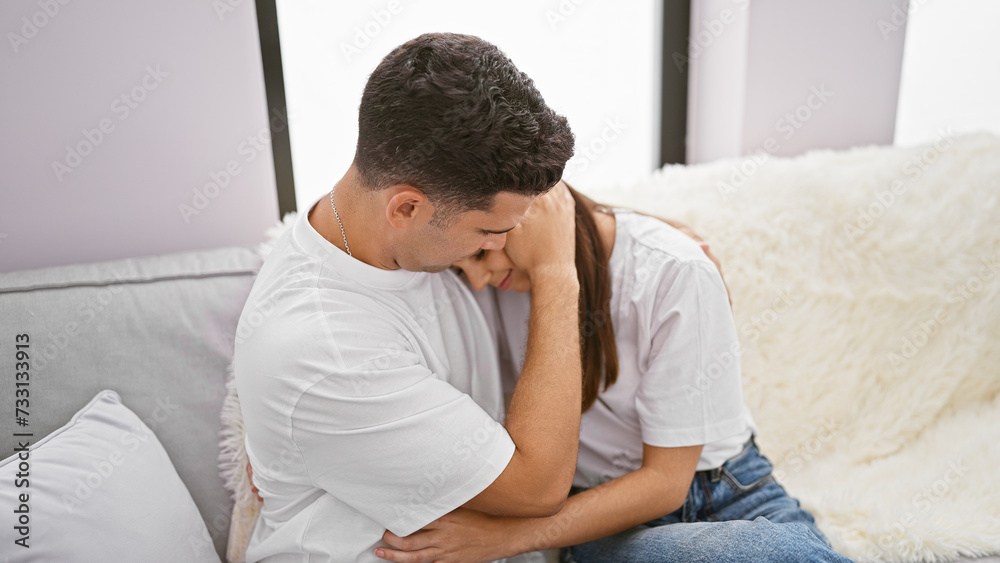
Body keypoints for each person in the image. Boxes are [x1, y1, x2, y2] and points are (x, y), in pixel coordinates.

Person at [234, 32, 586, 561]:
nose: (505, 244)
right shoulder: (326, 350)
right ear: (405, 209)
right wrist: (559, 270)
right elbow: (537, 488)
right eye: (489, 232)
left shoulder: (388, 223)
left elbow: (531, 200)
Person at [374, 185, 854, 562]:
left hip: (726, 491)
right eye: (464, 265)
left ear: (537, 206)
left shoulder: (675, 271)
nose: (477, 278)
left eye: (481, 256)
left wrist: (502, 539)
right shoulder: (490, 275)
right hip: (601, 519)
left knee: (786, 554)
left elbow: (667, 483)